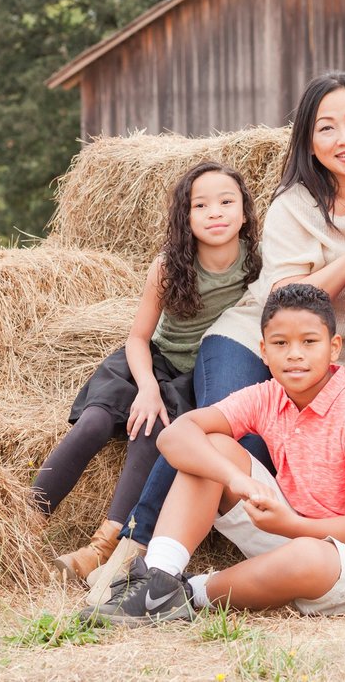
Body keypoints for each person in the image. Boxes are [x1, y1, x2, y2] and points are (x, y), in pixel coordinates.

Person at [88, 71, 345, 595]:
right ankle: (135, 554)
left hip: (340, 360)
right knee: (222, 433)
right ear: (308, 143)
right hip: (253, 334)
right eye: (327, 128)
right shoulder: (294, 206)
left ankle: (205, 578)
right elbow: (288, 303)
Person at [82, 284, 345, 626]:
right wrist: (234, 478)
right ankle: (158, 580)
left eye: (309, 342)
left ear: (334, 348)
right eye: (281, 343)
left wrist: (292, 526)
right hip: (286, 534)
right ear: (263, 351)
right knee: (210, 446)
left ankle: (191, 592)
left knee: (306, 555)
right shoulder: (267, 396)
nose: (294, 354)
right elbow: (175, 436)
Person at [31, 161, 261, 582]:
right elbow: (138, 337)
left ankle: (104, 545)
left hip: (195, 378)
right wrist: (147, 388)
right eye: (201, 205)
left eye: (227, 202)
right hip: (151, 364)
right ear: (185, 217)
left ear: (245, 212)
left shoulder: (256, 268)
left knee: (151, 432)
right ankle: (22, 520)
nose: (215, 213)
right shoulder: (170, 266)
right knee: (96, 422)